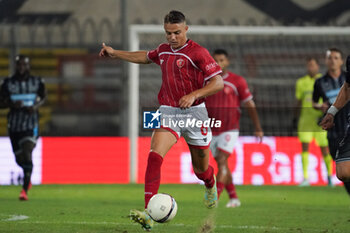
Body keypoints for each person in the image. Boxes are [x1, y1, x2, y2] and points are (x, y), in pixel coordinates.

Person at [99, 10, 223, 231]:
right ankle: (148, 213)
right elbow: (145, 57)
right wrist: (115, 53)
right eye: (168, 33)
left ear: (185, 29)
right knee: (154, 156)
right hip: (168, 111)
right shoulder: (164, 50)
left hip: (196, 114)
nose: (172, 37)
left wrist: (195, 94)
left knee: (201, 170)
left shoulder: (199, 53)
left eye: (176, 32)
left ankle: (210, 184)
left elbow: (218, 83)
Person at [205, 49, 263, 207]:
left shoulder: (237, 81)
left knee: (222, 161)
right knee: (222, 164)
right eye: (215, 60)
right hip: (211, 130)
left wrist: (258, 127)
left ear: (227, 62)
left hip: (229, 129)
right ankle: (234, 198)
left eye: (222, 60)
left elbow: (249, 104)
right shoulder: (205, 81)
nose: (218, 63)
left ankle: (214, 197)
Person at [0, 55, 46, 201]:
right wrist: (12, 104)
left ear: (28, 66)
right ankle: (28, 177)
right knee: (19, 159)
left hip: (30, 124)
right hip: (14, 125)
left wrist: (35, 106)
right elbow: (0, 102)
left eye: (24, 65)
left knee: (27, 152)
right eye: (19, 65)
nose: (21, 68)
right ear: (16, 66)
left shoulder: (36, 82)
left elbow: (43, 97)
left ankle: (24, 190)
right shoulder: (8, 83)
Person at [313, 48, 350, 195]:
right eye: (330, 58)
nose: (333, 61)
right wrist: (329, 111)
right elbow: (347, 88)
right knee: (343, 172)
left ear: (340, 61)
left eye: (336, 58)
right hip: (336, 130)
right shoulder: (320, 82)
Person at [295, 57, 333, 186]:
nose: (310, 68)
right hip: (306, 120)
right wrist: (295, 117)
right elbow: (299, 101)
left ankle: (329, 177)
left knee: (325, 149)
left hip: (320, 120)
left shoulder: (324, 81)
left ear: (317, 66)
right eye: (308, 65)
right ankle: (305, 178)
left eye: (313, 65)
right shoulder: (301, 82)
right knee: (305, 148)